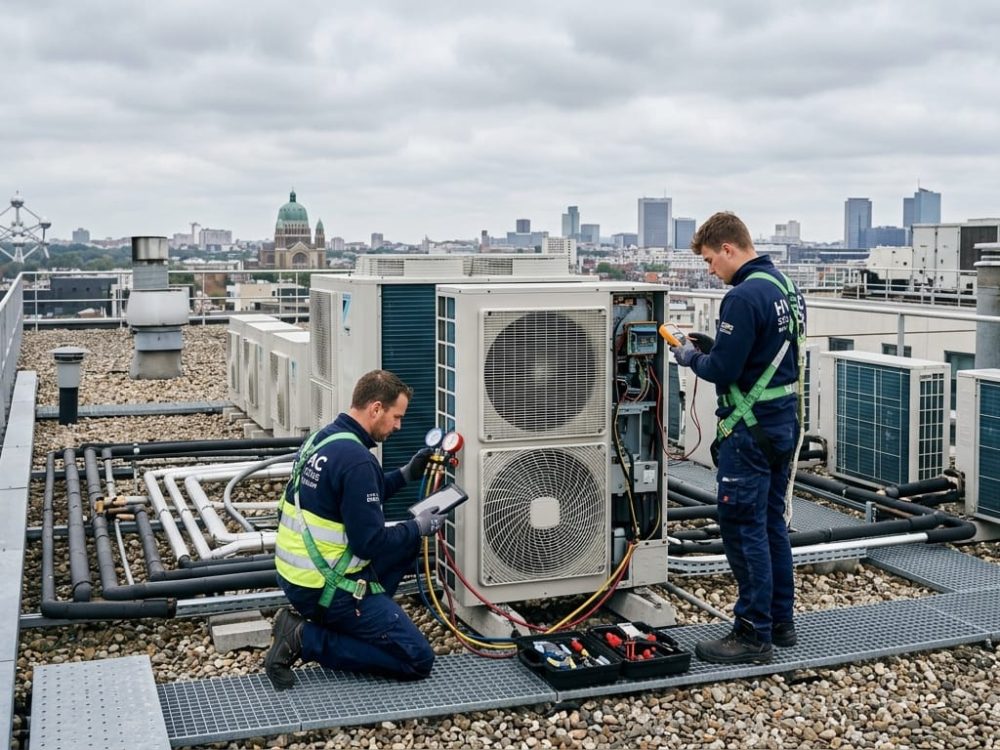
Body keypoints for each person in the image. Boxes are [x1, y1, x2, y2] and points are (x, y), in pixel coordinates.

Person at [670, 212, 806, 665]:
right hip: (781, 424)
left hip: (748, 432)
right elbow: (759, 355)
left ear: (728, 249)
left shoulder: (743, 296)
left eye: (711, 260)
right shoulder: (786, 288)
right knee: (770, 523)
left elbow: (723, 370)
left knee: (743, 527)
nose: (711, 270)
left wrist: (690, 356)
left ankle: (752, 634)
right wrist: (716, 348)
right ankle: (780, 623)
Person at [264, 369, 448, 689]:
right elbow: (369, 543)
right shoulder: (358, 460)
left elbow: (354, 496)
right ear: (376, 408)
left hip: (296, 576)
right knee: (418, 659)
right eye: (396, 417)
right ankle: (304, 637)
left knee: (403, 542)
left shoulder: (323, 439)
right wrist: (418, 527)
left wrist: (406, 473)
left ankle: (365, 621)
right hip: (326, 587)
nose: (398, 426)